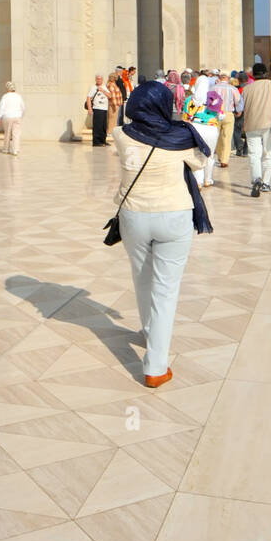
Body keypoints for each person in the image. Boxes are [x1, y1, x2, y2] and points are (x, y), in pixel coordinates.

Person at [112, 81, 210, 388]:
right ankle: (155, 366)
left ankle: (149, 331)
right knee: (165, 290)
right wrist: (183, 128)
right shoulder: (180, 137)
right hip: (174, 216)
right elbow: (200, 161)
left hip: (134, 216)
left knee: (142, 278)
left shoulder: (121, 135)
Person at [243, 62, 271, 197]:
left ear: (253, 75)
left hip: (251, 124)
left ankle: (256, 179)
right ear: (265, 73)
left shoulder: (246, 89)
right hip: (269, 123)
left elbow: (239, 108)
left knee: (254, 154)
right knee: (268, 153)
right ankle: (266, 183)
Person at [0, 81, 25, 154]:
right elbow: (23, 108)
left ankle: (6, 149)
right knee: (16, 134)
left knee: (7, 133)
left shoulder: (5, 96)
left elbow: (1, 108)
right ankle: (15, 150)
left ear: (7, 88)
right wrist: (21, 115)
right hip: (17, 116)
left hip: (7, 117)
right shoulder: (19, 96)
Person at [87, 74, 111, 146]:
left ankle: (103, 140)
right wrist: (89, 108)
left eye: (100, 79)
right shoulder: (93, 87)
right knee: (98, 126)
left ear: (102, 80)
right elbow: (88, 98)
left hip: (104, 109)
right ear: (95, 79)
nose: (99, 80)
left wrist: (103, 90)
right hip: (97, 108)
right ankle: (96, 142)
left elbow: (110, 96)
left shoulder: (104, 87)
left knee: (103, 126)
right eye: (97, 79)